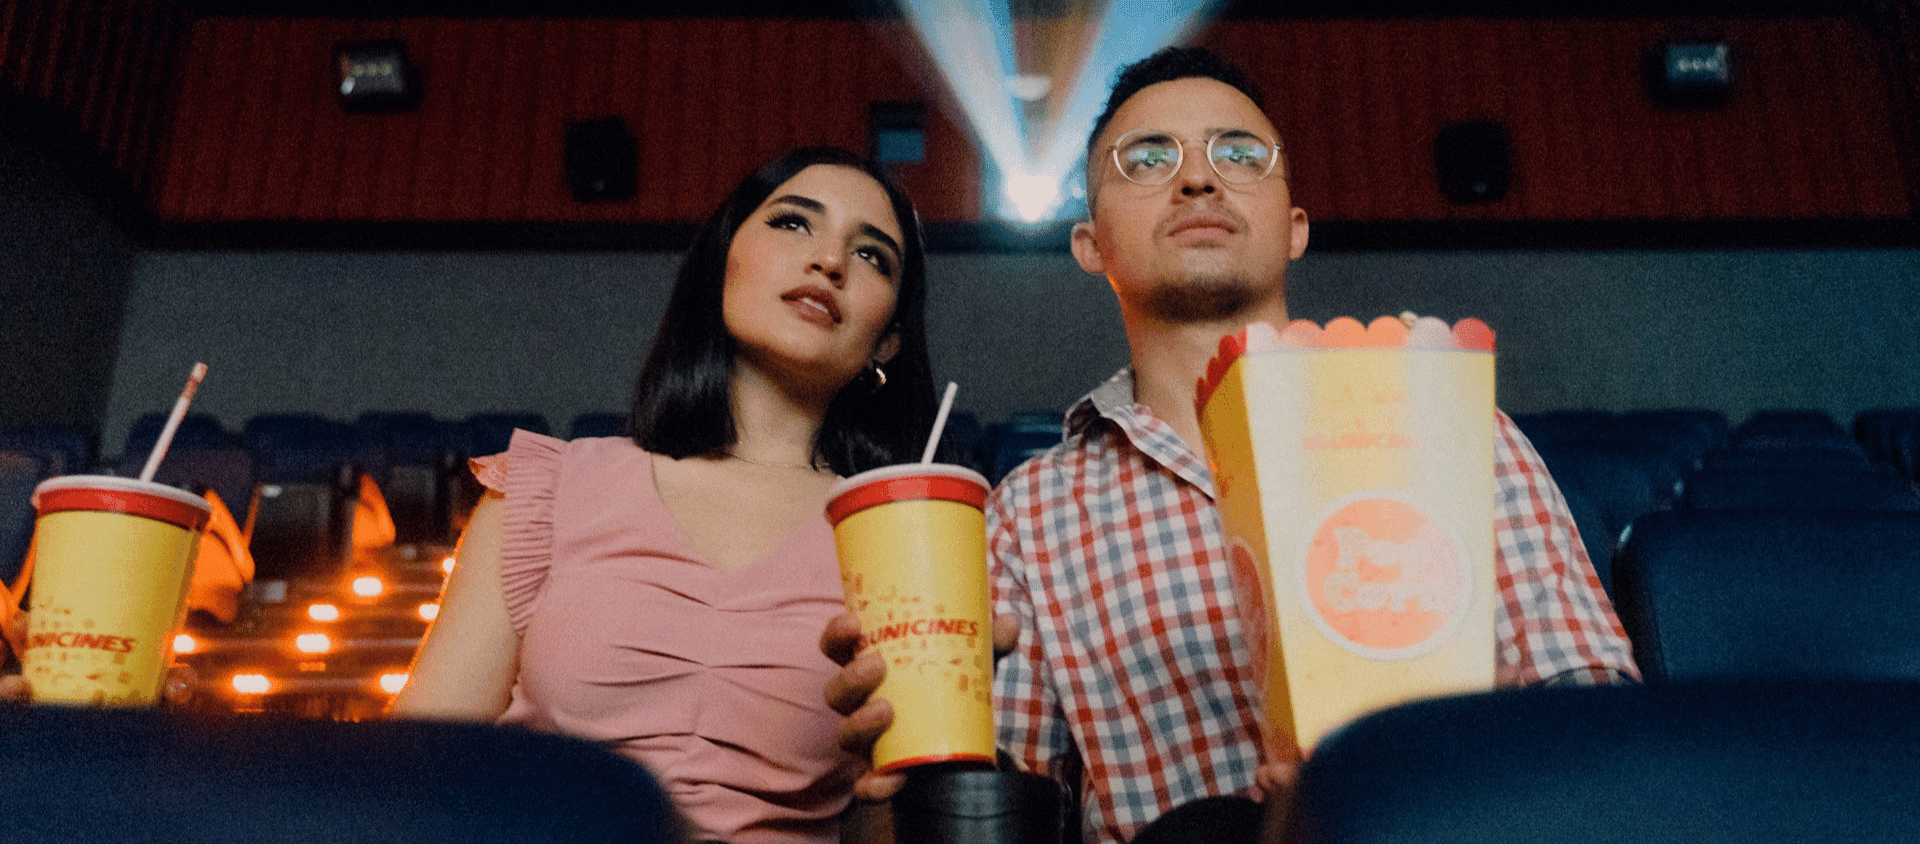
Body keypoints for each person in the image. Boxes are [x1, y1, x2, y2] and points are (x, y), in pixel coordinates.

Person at [822, 47, 1637, 844]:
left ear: (1294, 229)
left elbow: (1595, 719)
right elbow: (1010, 808)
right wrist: (897, 773)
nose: (1198, 177)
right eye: (1147, 159)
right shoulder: (1029, 514)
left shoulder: (1457, 429)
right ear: (1090, 243)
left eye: (1239, 153)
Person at [394, 145, 939, 844]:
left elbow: (889, 818)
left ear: (887, 340)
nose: (829, 261)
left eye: (872, 257)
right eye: (794, 224)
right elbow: (419, 774)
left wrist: (894, 791)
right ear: (722, 262)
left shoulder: (899, 540)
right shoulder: (550, 491)